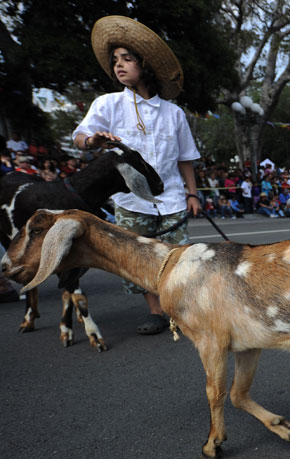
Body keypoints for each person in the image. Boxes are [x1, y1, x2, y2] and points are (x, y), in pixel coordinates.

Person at [73, 16, 201, 335]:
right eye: (115, 60)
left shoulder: (174, 113)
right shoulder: (108, 104)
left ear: (145, 65)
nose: (118, 65)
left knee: (177, 257)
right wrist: (92, 141)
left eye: (127, 59)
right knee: (139, 259)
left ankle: (177, 308)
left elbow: (186, 159)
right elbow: (80, 136)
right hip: (131, 200)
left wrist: (192, 193)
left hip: (172, 198)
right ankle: (156, 312)